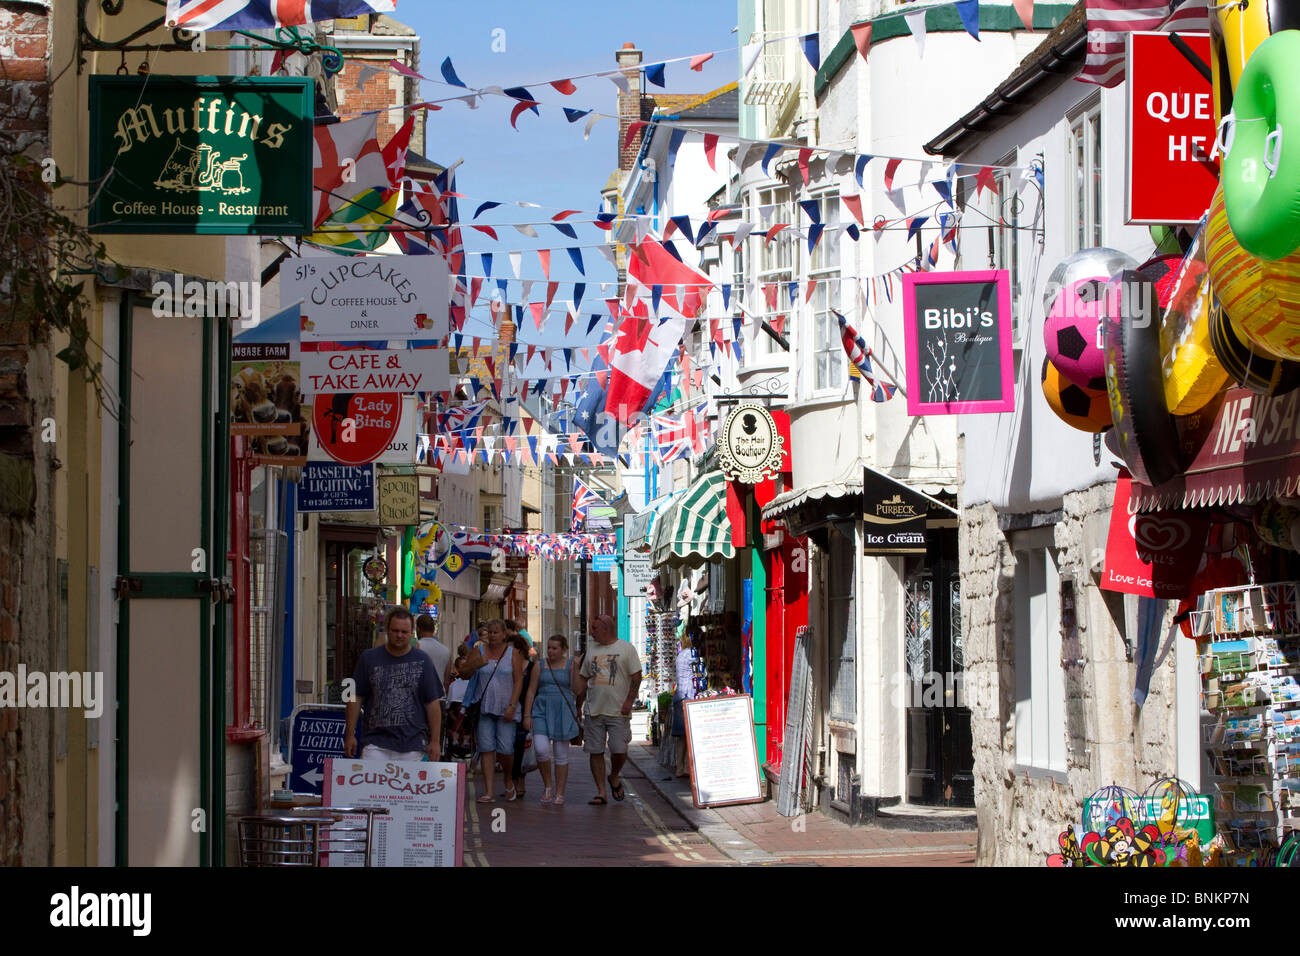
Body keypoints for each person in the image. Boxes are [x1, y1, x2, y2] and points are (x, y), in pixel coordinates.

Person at [344, 606, 442, 761]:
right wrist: (349, 735)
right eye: (395, 631)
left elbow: (432, 703)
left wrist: (435, 741)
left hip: (412, 745)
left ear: (412, 633)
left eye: (404, 632)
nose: (400, 635)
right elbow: (354, 697)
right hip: (374, 743)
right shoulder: (368, 658)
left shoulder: (424, 661)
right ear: (387, 630)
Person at [572, 614, 642, 805]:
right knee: (595, 751)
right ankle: (601, 792)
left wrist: (629, 701)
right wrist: (578, 706)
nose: (592, 632)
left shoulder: (626, 649)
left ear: (606, 628)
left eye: (595, 628)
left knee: (619, 749)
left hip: (618, 710)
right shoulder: (591, 650)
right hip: (594, 710)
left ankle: (614, 776)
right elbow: (581, 684)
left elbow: (636, 677)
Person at [460, 619, 525, 802]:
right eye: (490, 632)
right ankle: (489, 791)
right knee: (487, 748)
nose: (493, 635)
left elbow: (518, 680)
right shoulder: (479, 650)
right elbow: (464, 672)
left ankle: (508, 779)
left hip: (506, 708)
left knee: (505, 749)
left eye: (496, 632)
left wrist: (512, 705)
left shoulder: (513, 653)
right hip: (485, 707)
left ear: (504, 634)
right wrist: (476, 664)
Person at [523, 634, 580, 805]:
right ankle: (548, 786)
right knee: (541, 749)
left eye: (554, 648)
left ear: (563, 650)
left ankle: (560, 793)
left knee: (561, 754)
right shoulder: (540, 665)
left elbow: (577, 690)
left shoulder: (570, 665)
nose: (550, 651)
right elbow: (531, 691)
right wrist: (527, 714)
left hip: (563, 711)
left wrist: (576, 668)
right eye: (549, 647)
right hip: (541, 710)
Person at [507, 632, 536, 798]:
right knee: (508, 748)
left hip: (526, 711)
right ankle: (511, 781)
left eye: (512, 650)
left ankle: (519, 780)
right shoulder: (507, 667)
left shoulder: (532, 667)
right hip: (509, 711)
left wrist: (528, 714)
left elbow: (533, 691)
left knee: (521, 747)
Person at [673, 628, 698, 777]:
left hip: (679, 696)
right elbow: (702, 658)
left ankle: (679, 767)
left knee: (681, 736)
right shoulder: (690, 654)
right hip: (688, 696)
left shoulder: (680, 655)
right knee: (689, 734)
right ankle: (688, 767)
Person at [416, 614, 451, 686]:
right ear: (433, 629)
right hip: (440, 695)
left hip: (420, 695)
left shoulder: (415, 648)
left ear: (418, 629)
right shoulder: (446, 650)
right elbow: (447, 680)